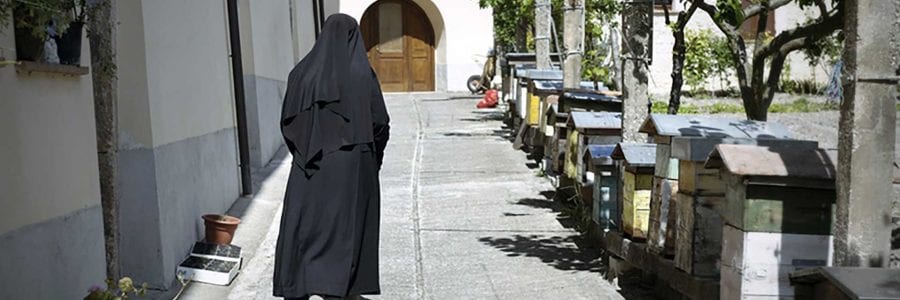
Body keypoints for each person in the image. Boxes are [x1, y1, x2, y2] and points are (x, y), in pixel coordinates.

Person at [274, 14, 390, 300]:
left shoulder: (301, 74)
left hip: (309, 165)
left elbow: (288, 122)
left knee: (306, 227)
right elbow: (379, 123)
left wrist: (304, 149)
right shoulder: (362, 75)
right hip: (352, 165)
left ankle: (299, 286)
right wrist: (372, 160)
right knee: (346, 228)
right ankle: (340, 289)